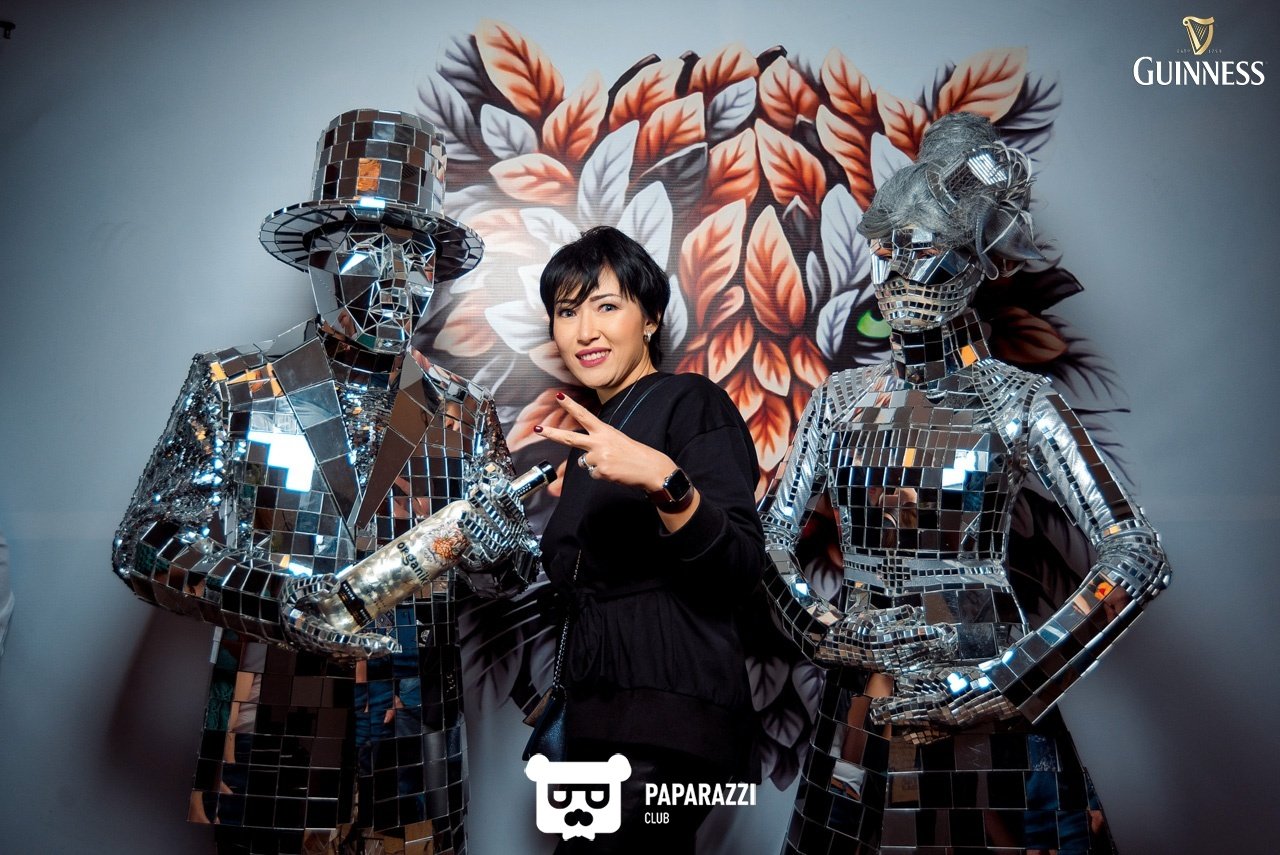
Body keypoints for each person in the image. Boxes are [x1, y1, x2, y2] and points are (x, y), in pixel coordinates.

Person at [112, 109, 537, 855]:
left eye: (417, 255)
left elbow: (510, 573)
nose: (399, 279)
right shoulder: (235, 387)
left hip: (417, 763)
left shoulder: (465, 410)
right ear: (316, 257)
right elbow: (145, 543)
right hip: (271, 751)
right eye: (371, 248)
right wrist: (275, 602)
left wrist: (501, 552)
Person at [758, 113, 1170, 853]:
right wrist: (822, 629)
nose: (892, 274)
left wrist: (1009, 682)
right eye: (885, 250)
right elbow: (768, 534)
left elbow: (1136, 554)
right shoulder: (839, 400)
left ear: (973, 262)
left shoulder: (1020, 401)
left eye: (917, 251)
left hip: (986, 695)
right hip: (860, 700)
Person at [531, 226, 765, 852]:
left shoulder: (691, 402)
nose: (586, 331)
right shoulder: (593, 436)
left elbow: (741, 568)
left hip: (672, 731)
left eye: (607, 306)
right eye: (568, 312)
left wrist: (666, 482)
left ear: (652, 318)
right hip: (601, 721)